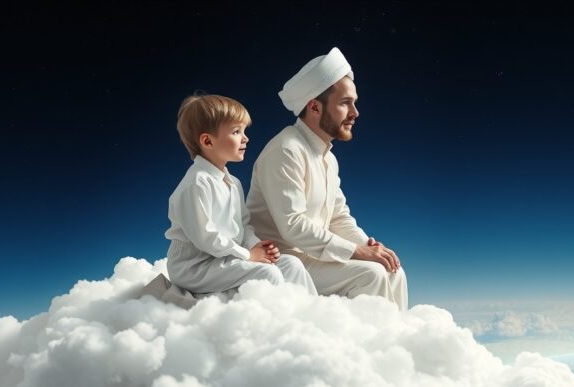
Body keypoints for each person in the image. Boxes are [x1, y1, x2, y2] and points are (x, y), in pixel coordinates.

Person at [247, 48, 408, 310]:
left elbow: (338, 217)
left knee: (393, 271)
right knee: (372, 275)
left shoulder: (328, 158)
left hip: (314, 257)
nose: (355, 113)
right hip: (283, 260)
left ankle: (396, 337)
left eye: (354, 103)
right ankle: (369, 338)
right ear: (314, 106)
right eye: (345, 103)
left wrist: (369, 246)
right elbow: (293, 226)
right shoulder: (285, 150)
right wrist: (358, 252)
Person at [164, 93, 317, 298]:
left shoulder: (233, 183)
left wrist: (255, 245)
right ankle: (276, 316)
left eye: (244, 131)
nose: (245, 138)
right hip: (195, 267)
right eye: (236, 131)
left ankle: (311, 311)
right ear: (207, 141)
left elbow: (243, 225)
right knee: (267, 273)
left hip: (224, 258)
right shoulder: (196, 184)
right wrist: (248, 255)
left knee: (292, 264)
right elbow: (206, 238)